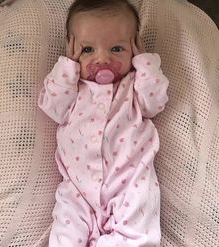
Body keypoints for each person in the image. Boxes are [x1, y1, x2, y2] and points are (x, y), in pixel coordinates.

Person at [38, 0, 169, 246]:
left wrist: (144, 64)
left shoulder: (133, 87)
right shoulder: (73, 89)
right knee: (64, 237)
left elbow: (155, 102)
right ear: (71, 49)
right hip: (78, 190)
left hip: (130, 183)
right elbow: (52, 107)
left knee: (137, 236)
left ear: (135, 48)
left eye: (117, 49)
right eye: (87, 50)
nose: (103, 59)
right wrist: (67, 68)